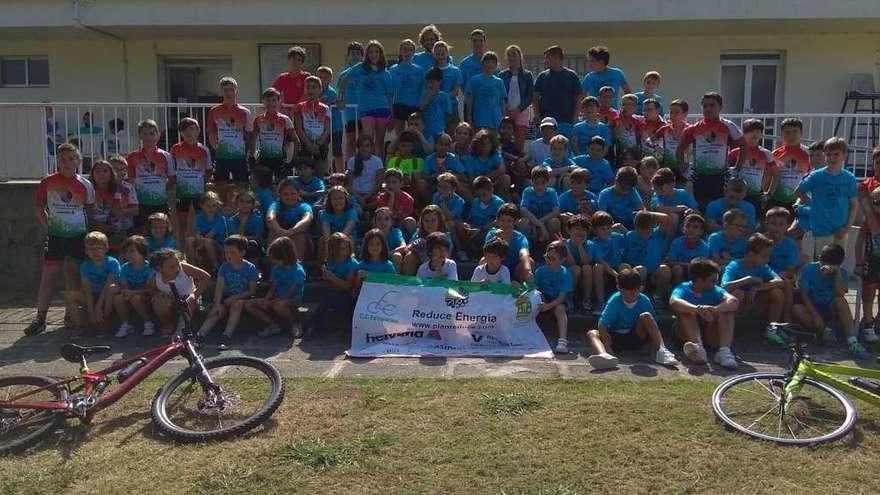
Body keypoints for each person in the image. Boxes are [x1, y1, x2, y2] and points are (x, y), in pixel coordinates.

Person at [586, 267, 679, 369]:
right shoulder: (614, 300)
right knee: (592, 333)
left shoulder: (644, 300)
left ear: (640, 289)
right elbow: (602, 324)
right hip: (615, 337)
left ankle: (662, 351)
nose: (629, 297)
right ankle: (605, 355)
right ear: (619, 288)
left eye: (633, 293)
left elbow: (653, 325)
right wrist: (607, 347)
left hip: (637, 335)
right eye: (625, 293)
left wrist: (653, 345)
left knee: (647, 316)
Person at [794, 244, 871, 358]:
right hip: (813, 306)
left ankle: (852, 341)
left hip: (831, 307)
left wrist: (837, 273)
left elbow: (840, 293)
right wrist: (815, 315)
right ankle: (825, 331)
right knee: (796, 309)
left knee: (840, 300)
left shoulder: (842, 273)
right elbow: (804, 294)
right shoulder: (809, 269)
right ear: (819, 258)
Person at [676, 92, 743, 208]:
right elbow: (679, 150)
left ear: (720, 107)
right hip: (699, 176)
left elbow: (744, 147)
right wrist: (684, 170)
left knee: (719, 208)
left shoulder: (729, 126)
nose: (708, 109)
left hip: (720, 177)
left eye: (712, 105)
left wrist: (737, 168)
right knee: (700, 208)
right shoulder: (693, 128)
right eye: (705, 106)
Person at [670, 258, 739, 368]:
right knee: (686, 312)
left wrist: (716, 309)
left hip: (710, 333)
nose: (716, 283)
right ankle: (698, 349)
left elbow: (733, 302)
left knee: (727, 311)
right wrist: (697, 309)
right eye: (712, 280)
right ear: (699, 280)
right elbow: (674, 302)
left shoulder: (716, 290)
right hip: (686, 336)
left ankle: (724, 352)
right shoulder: (683, 288)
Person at [795, 137, 858, 257]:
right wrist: (812, 204)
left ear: (844, 155)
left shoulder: (849, 178)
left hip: (840, 228)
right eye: (828, 154)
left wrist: (846, 228)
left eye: (836, 154)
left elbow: (854, 205)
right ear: (824, 155)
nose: (832, 158)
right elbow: (798, 191)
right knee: (822, 261)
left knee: (837, 263)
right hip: (821, 228)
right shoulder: (816, 176)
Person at [721, 233, 787, 346]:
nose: (767, 260)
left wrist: (757, 288)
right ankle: (729, 332)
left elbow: (779, 281)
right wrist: (748, 279)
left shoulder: (763, 267)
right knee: (738, 294)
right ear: (751, 254)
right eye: (764, 256)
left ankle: (771, 331)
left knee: (777, 293)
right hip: (739, 303)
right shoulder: (734, 265)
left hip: (755, 301)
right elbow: (724, 286)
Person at [197, 235, 260, 349]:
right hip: (226, 298)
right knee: (217, 310)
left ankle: (227, 335)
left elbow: (252, 290)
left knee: (237, 304)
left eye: (232, 252)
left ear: (242, 253)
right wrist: (216, 304)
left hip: (242, 298)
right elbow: (219, 287)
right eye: (226, 252)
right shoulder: (224, 267)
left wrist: (235, 297)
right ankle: (200, 334)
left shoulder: (250, 268)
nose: (228, 255)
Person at [339, 40, 393, 158]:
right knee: (367, 140)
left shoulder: (385, 72)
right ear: (367, 54)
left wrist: (391, 114)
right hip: (366, 110)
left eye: (377, 52)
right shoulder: (360, 68)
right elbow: (344, 82)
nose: (374, 54)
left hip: (382, 109)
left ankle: (379, 168)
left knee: (379, 141)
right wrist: (341, 99)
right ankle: (366, 166)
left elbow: (389, 95)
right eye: (371, 52)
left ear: (380, 54)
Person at [245, 236, 307, 338]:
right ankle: (273, 325)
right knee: (248, 304)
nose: (273, 261)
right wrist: (266, 299)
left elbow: (290, 294)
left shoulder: (298, 271)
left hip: (292, 299)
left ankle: (295, 323)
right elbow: (272, 288)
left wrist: (271, 302)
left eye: (276, 258)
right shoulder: (276, 269)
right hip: (276, 298)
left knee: (278, 305)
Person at [146, 248, 210, 336]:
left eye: (177, 264)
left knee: (188, 302)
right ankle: (168, 324)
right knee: (158, 301)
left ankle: (180, 330)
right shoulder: (155, 276)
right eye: (172, 267)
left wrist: (194, 295)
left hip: (189, 299)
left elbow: (206, 277)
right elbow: (150, 288)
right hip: (171, 301)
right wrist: (158, 294)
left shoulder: (184, 268)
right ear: (159, 268)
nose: (177, 268)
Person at [68, 231, 120, 337]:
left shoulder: (112, 263)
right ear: (86, 251)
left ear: (106, 249)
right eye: (91, 249)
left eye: (98, 248)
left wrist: (98, 308)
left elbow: (107, 286)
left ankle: (103, 322)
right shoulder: (85, 266)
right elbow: (87, 289)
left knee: (111, 289)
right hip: (92, 295)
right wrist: (91, 311)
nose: (95, 252)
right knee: (71, 296)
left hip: (107, 296)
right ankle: (79, 325)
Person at [126, 119, 175, 230]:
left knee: (162, 233)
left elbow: (172, 178)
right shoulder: (132, 156)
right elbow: (131, 179)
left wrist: (161, 189)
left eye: (152, 133)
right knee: (141, 234)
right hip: (141, 203)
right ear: (140, 136)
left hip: (160, 203)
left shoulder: (166, 156)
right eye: (145, 134)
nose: (149, 137)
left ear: (158, 135)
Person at [170, 117, 212, 240]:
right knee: (182, 224)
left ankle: (198, 250)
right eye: (185, 130)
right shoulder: (175, 149)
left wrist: (201, 183)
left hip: (199, 192)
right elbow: (171, 169)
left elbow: (209, 171)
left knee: (199, 224)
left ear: (198, 131)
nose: (189, 133)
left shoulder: (204, 150)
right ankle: (183, 251)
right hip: (182, 193)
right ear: (181, 133)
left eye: (192, 129)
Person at [207, 77, 253, 188]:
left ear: (236, 91)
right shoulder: (214, 111)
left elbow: (248, 134)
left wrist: (246, 151)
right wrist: (217, 149)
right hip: (222, 156)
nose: (228, 93)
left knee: (242, 188)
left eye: (231, 89)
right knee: (220, 188)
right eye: (225, 90)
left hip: (239, 157)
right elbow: (212, 133)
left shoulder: (245, 112)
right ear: (221, 92)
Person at [623, 210, 672, 306]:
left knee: (665, 269)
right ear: (636, 227)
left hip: (654, 275)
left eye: (648, 229)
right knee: (641, 269)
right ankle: (639, 297)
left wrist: (643, 213)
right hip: (638, 275)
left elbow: (666, 218)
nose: (646, 232)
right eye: (643, 229)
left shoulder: (658, 234)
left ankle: (658, 297)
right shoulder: (630, 236)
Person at [532, 45, 582, 138]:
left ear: (556, 58)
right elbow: (535, 97)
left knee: (564, 150)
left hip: (566, 122)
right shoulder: (542, 76)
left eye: (547, 58)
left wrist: (575, 118)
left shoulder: (572, 76)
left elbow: (578, 98)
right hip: (546, 122)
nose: (545, 61)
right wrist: (537, 114)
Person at [728, 118, 775, 212]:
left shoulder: (766, 153)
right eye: (750, 131)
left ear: (761, 134)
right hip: (738, 195)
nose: (754, 134)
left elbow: (776, 174)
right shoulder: (735, 152)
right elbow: (728, 172)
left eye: (757, 131)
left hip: (755, 195)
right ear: (744, 133)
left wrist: (769, 193)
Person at [535, 240, 574, 353]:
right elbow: (535, 288)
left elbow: (561, 297)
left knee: (560, 308)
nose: (548, 261)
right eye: (547, 257)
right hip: (544, 298)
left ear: (562, 260)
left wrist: (548, 306)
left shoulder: (566, 273)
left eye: (553, 259)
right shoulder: (540, 271)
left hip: (559, 301)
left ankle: (562, 340)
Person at [113, 235, 155, 338]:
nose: (129, 254)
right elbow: (124, 285)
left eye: (132, 251)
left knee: (135, 298)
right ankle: (127, 324)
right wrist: (125, 292)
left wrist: (133, 293)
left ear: (142, 252)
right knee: (118, 298)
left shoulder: (149, 268)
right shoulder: (124, 268)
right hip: (131, 295)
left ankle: (148, 322)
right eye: (127, 252)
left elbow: (149, 289)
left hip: (146, 296)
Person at [765, 207, 801, 323]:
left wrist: (784, 274)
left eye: (781, 224)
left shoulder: (790, 244)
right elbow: (757, 265)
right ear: (766, 224)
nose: (777, 227)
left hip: (783, 277)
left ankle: (786, 320)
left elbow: (791, 269)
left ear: (787, 226)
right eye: (774, 224)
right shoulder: (761, 240)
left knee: (786, 282)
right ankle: (785, 320)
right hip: (764, 276)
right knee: (784, 284)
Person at [250, 87, 294, 181]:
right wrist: (252, 156)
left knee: (280, 186)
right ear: (263, 102)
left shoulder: (285, 119)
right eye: (268, 100)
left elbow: (295, 140)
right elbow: (253, 139)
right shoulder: (258, 119)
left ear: (279, 101)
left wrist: (291, 161)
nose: (271, 103)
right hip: (264, 158)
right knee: (263, 185)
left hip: (280, 159)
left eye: (274, 100)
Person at [770, 118, 811, 212]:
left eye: (795, 131)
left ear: (801, 133)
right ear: (781, 134)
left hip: (801, 200)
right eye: (787, 132)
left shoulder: (809, 153)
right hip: (779, 199)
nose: (791, 135)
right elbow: (770, 176)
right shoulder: (775, 154)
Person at [484, 203, 534, 282]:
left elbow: (524, 254)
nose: (505, 224)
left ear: (515, 222)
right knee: (483, 260)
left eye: (509, 221)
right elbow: (488, 253)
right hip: (496, 268)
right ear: (497, 220)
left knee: (529, 261)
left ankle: (521, 289)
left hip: (514, 271)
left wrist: (528, 271)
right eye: (502, 220)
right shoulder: (492, 234)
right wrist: (497, 239)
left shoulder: (520, 238)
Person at [293, 76, 332, 176]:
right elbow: (298, 128)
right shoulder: (300, 107)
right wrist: (309, 144)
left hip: (321, 145)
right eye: (308, 87)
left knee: (321, 174)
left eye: (314, 87)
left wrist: (318, 144)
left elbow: (327, 128)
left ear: (320, 89)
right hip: (305, 145)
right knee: (305, 175)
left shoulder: (325, 108)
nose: (311, 90)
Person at [266, 178, 313, 259]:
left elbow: (307, 219)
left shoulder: (304, 206)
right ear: (280, 195)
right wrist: (280, 231)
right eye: (286, 194)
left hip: (300, 238)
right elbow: (270, 217)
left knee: (300, 236)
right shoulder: (276, 205)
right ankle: (275, 266)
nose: (289, 197)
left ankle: (297, 266)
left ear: (298, 194)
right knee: (272, 234)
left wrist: (292, 231)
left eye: (293, 194)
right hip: (280, 234)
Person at [856, 183, 880, 340]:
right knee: (869, 290)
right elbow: (859, 243)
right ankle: (868, 322)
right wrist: (858, 262)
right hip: (871, 260)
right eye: (876, 202)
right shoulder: (868, 221)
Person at [588, 211, 625, 311]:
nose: (606, 231)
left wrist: (624, 229)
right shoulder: (593, 243)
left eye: (608, 228)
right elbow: (602, 263)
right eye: (602, 229)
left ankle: (627, 300)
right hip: (606, 273)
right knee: (597, 267)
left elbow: (631, 239)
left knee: (625, 267)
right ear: (595, 230)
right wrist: (616, 275)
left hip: (617, 269)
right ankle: (601, 302)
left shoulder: (617, 237)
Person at [458, 175, 504, 257]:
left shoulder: (499, 203)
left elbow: (499, 222)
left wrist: (481, 229)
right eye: (479, 196)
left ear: (491, 190)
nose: (482, 198)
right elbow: (470, 219)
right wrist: (468, 226)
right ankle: (469, 251)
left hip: (488, 233)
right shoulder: (475, 202)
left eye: (484, 195)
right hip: (475, 232)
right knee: (460, 226)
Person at [499, 44, 533, 152]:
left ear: (520, 56)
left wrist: (518, 109)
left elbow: (530, 95)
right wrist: (505, 109)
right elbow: (500, 94)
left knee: (519, 144)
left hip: (521, 112)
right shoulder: (502, 75)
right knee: (503, 141)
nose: (511, 57)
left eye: (514, 54)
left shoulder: (527, 75)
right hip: (505, 112)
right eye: (509, 55)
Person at [389, 39, 426, 135]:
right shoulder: (393, 70)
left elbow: (423, 90)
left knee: (414, 135)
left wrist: (421, 108)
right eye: (405, 49)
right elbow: (390, 93)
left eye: (410, 50)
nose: (407, 52)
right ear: (400, 51)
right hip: (399, 105)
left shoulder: (419, 70)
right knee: (400, 135)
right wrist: (391, 112)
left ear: (413, 52)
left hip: (414, 106)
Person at [401, 205, 450, 275]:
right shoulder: (418, 233)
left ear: (439, 221)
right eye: (426, 221)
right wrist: (413, 246)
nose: (429, 224)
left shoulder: (446, 236)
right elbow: (407, 249)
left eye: (433, 220)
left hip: (439, 265)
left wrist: (428, 244)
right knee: (410, 256)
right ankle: (407, 284)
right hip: (422, 265)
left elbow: (446, 256)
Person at [464, 51, 506, 133]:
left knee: (495, 144)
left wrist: (503, 118)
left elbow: (502, 102)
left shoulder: (499, 82)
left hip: (496, 121)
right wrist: (469, 117)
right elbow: (470, 100)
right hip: (480, 121)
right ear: (482, 63)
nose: (490, 64)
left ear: (496, 65)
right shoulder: (474, 80)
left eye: (493, 62)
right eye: (487, 62)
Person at [650, 166, 697, 238]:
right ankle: (667, 245)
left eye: (661, 188)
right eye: (656, 188)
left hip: (682, 229)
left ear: (672, 184)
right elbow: (658, 208)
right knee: (673, 217)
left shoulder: (683, 193)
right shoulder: (656, 195)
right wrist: (679, 208)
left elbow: (696, 211)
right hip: (663, 230)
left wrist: (690, 211)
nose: (659, 191)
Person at [337, 42, 365, 160]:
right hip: (349, 115)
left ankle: (364, 164)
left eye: (358, 54)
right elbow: (340, 93)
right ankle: (350, 165)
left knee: (364, 141)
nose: (355, 56)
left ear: (362, 56)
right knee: (351, 141)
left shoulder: (366, 73)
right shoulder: (344, 74)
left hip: (364, 112)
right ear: (348, 56)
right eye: (352, 54)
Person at [186, 191, 226, 273]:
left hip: (219, 246)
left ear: (217, 206)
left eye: (214, 206)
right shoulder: (199, 217)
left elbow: (210, 235)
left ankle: (216, 268)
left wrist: (199, 246)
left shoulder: (220, 218)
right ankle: (192, 267)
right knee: (189, 240)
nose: (211, 208)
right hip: (203, 241)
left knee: (207, 241)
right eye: (208, 206)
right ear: (202, 206)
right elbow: (197, 233)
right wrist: (198, 240)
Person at [321, 232, 359, 317]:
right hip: (333, 291)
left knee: (338, 299)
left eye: (346, 248)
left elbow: (349, 286)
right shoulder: (329, 261)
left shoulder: (352, 263)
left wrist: (331, 277)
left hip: (348, 294)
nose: (344, 251)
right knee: (325, 298)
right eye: (341, 249)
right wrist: (325, 275)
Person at [465, 129, 511, 199]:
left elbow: (502, 170)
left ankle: (500, 203)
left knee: (506, 178)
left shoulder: (495, 154)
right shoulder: (471, 157)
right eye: (482, 143)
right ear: (477, 144)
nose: (485, 146)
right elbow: (471, 178)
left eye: (488, 143)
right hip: (477, 186)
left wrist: (486, 179)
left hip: (492, 183)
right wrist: (482, 183)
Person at [650, 99, 690, 180]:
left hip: (685, 169)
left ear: (685, 114)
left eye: (677, 112)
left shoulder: (690, 129)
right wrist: (656, 147)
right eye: (671, 112)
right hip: (668, 169)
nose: (673, 116)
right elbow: (649, 140)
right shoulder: (664, 129)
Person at [519, 166, 560, 243]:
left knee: (555, 222)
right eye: (536, 183)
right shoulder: (527, 191)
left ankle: (552, 247)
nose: (539, 186)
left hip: (547, 222)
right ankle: (527, 246)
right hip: (532, 222)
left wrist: (541, 222)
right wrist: (539, 224)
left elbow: (556, 211)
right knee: (523, 222)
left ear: (548, 182)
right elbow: (523, 210)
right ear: (531, 181)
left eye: (543, 182)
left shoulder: (551, 192)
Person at [430, 41, 464, 133]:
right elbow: (430, 90)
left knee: (452, 133)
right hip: (436, 107)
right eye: (437, 54)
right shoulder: (432, 71)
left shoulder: (455, 70)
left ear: (447, 53)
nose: (440, 56)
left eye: (442, 53)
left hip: (452, 107)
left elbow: (456, 91)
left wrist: (444, 98)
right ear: (434, 55)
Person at [316, 66, 345, 173]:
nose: (322, 80)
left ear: (330, 79)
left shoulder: (332, 92)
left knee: (337, 151)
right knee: (322, 150)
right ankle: (323, 172)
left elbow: (338, 103)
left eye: (325, 77)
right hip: (322, 127)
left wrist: (330, 103)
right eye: (320, 77)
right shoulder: (315, 92)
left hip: (335, 126)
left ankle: (340, 173)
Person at [667, 214, 710, 286]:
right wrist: (687, 265)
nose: (690, 229)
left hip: (694, 274)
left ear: (701, 231)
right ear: (683, 229)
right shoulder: (677, 242)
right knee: (677, 269)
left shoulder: (704, 248)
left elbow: (702, 267)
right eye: (687, 226)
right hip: (677, 273)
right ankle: (677, 290)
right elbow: (670, 261)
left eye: (695, 227)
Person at [318, 186, 358, 262]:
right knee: (322, 240)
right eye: (334, 199)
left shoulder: (351, 212)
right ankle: (324, 265)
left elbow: (348, 230)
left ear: (346, 199)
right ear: (330, 201)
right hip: (330, 239)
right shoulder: (324, 213)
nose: (338, 201)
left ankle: (350, 265)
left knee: (349, 239)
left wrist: (336, 242)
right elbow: (326, 234)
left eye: (341, 198)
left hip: (346, 237)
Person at [433, 172, 467, 259]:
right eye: (440, 186)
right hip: (439, 220)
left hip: (455, 224)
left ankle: (460, 250)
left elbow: (451, 217)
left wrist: (442, 203)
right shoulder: (436, 196)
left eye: (445, 187)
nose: (442, 189)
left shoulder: (459, 200)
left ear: (453, 188)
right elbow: (434, 212)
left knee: (450, 224)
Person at [597, 166, 643, 230]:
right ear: (616, 180)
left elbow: (642, 211)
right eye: (623, 187)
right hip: (610, 228)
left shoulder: (632, 191)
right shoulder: (604, 194)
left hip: (630, 227)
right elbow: (601, 219)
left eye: (628, 188)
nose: (625, 191)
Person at [564, 214, 594, 310]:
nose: (581, 232)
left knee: (587, 268)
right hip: (568, 278)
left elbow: (586, 262)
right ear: (569, 230)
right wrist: (565, 248)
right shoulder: (564, 244)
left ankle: (587, 299)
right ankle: (568, 298)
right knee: (576, 269)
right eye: (577, 228)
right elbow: (571, 264)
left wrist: (580, 245)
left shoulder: (590, 244)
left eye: (584, 230)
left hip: (585, 280)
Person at [346, 134, 384, 208]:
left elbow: (378, 184)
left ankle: (364, 209)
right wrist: (359, 198)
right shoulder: (352, 161)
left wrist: (366, 197)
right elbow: (349, 185)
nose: (365, 148)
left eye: (367, 145)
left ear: (371, 147)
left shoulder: (377, 161)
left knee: (381, 199)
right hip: (356, 194)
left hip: (371, 194)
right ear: (358, 148)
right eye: (362, 146)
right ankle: (364, 210)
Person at [354, 228, 398, 292]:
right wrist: (358, 278)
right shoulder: (361, 265)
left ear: (383, 246)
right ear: (366, 246)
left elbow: (394, 285)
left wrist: (370, 275)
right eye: (371, 244)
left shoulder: (388, 265)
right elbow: (356, 290)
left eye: (378, 244)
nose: (375, 247)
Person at [227, 190, 266, 262]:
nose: (244, 205)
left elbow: (257, 236)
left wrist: (244, 238)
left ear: (252, 205)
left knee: (252, 244)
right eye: (241, 201)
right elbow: (236, 238)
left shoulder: (257, 219)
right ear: (237, 203)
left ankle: (254, 268)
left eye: (248, 202)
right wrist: (243, 222)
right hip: (237, 245)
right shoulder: (232, 220)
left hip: (255, 246)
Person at [376, 168, 417, 235]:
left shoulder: (408, 199)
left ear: (401, 183)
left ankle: (411, 241)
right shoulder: (382, 197)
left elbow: (405, 217)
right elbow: (386, 215)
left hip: (400, 226)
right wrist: (392, 197)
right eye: (388, 182)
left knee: (410, 221)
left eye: (394, 182)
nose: (391, 185)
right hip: (385, 225)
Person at [273, 45, 311, 115]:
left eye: (299, 60)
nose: (295, 62)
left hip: (303, 112)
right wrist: (279, 105)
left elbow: (307, 94)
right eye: (293, 59)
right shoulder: (282, 77)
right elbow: (274, 93)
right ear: (289, 60)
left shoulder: (306, 76)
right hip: (286, 112)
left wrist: (295, 107)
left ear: (302, 62)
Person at [420, 67, 453, 142]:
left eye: (432, 82)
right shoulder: (424, 94)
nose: (430, 85)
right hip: (427, 130)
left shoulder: (444, 96)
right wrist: (429, 96)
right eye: (428, 82)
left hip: (440, 129)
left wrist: (442, 124)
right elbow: (421, 108)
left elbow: (449, 114)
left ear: (439, 82)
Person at [458, 29, 490, 95]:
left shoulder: (491, 62)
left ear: (485, 42)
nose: (477, 43)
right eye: (475, 41)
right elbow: (462, 86)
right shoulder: (464, 64)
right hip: (470, 102)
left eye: (480, 41)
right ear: (471, 42)